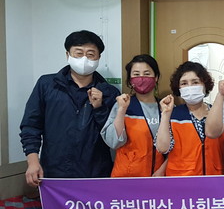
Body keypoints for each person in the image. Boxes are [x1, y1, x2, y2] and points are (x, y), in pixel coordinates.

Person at [20, 30, 119, 186]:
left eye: (91, 54)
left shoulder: (109, 92)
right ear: (68, 55)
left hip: (96, 173)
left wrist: (99, 108)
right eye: (78, 53)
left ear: (98, 57)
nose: (84, 59)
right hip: (54, 171)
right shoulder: (47, 85)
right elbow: (31, 126)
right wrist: (33, 162)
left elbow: (114, 137)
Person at [155, 61, 224, 176]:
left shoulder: (217, 113)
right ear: (178, 88)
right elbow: (162, 148)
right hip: (181, 180)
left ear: (205, 85)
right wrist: (165, 114)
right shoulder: (173, 115)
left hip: (214, 178)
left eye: (195, 82)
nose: (190, 87)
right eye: (184, 83)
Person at [101, 54, 167, 177]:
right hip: (126, 177)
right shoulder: (122, 105)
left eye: (147, 74)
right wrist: (121, 110)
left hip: (158, 176)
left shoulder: (165, 107)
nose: (141, 78)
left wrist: (162, 171)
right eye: (136, 74)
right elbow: (113, 142)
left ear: (156, 77)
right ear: (130, 80)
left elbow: (175, 147)